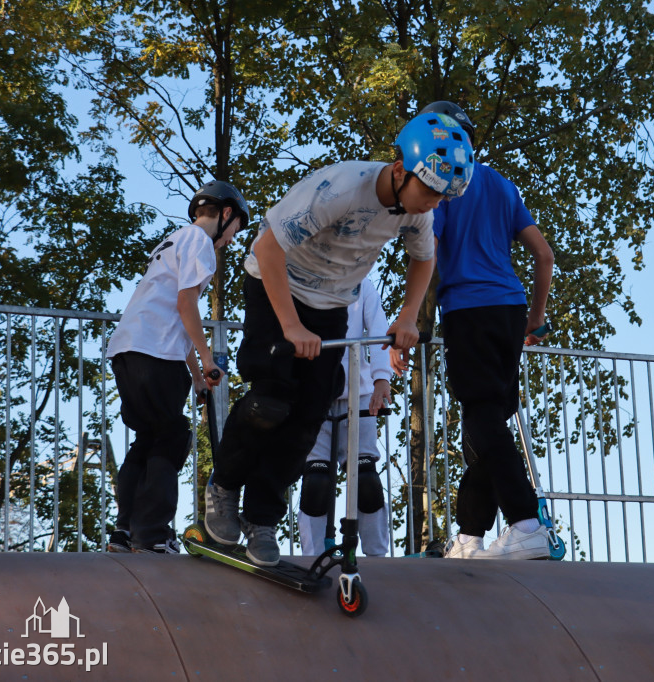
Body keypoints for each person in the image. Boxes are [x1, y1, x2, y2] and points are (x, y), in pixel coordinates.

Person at [205, 112, 475, 567]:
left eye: (441, 197)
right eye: (427, 191)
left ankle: (262, 519)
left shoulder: (416, 215)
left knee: (309, 415)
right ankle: (224, 488)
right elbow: (267, 248)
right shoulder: (341, 189)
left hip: (332, 305)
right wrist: (290, 326)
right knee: (272, 399)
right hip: (276, 285)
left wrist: (408, 316)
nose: (431, 204)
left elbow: (423, 261)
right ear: (398, 170)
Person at [393, 100, 554, 561]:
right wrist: (535, 320)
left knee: (482, 418)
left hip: (468, 309)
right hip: (510, 308)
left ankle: (526, 523)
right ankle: (469, 537)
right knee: (487, 422)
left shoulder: (443, 182)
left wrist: (409, 319)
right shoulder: (502, 185)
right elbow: (543, 256)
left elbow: (428, 251)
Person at [106, 180, 248, 553]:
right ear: (227, 214)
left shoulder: (173, 240)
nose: (232, 238)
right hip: (155, 354)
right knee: (171, 439)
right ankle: (152, 535)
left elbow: (175, 316)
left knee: (148, 438)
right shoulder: (201, 243)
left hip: (129, 349)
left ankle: (124, 532)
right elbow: (188, 306)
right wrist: (207, 358)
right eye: (235, 229)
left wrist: (198, 377)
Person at [297, 277, 392, 557]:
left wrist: (381, 379)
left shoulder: (362, 283)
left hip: (358, 394)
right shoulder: (303, 277)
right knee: (316, 481)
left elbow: (378, 329)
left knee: (366, 480)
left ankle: (377, 556)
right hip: (314, 393)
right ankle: (311, 557)